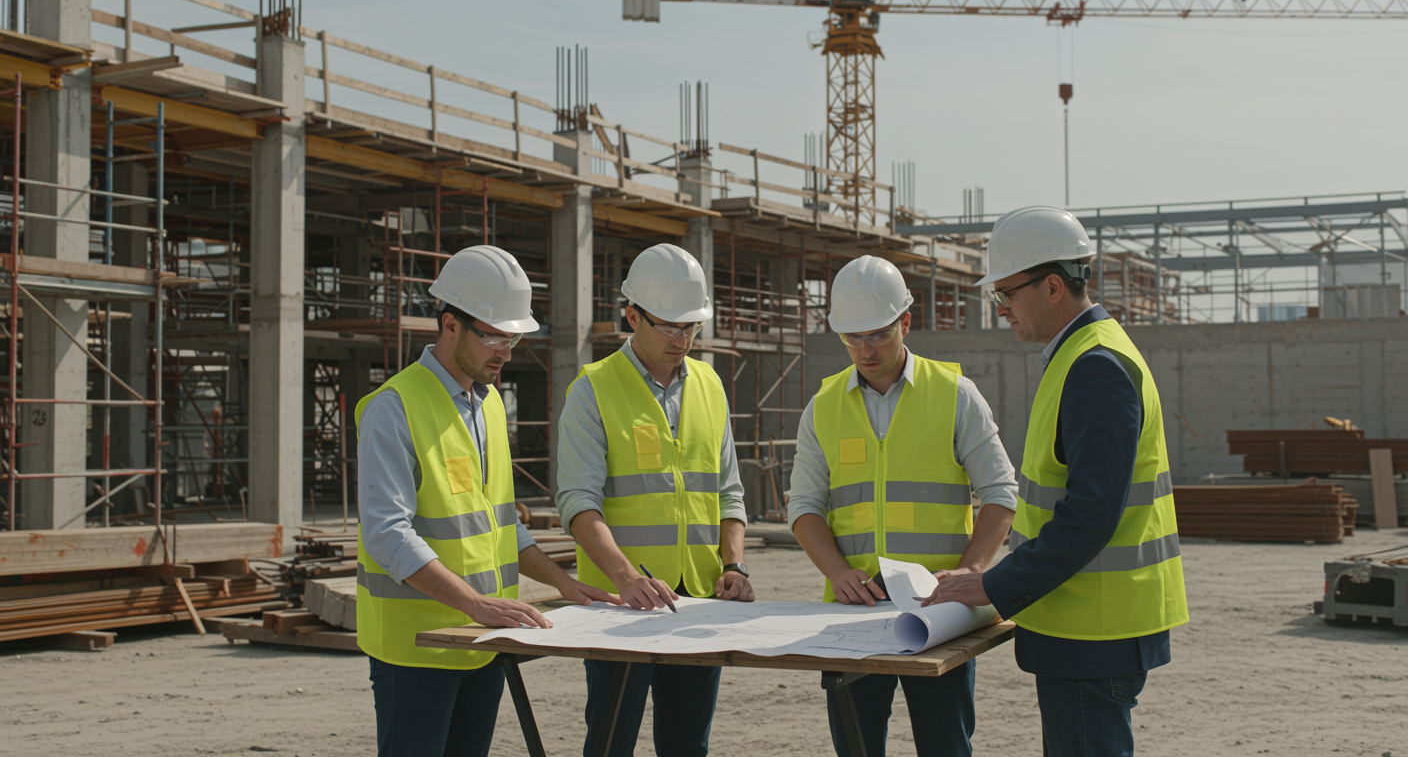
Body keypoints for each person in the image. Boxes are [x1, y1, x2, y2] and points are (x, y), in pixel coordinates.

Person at [923, 206, 1189, 757]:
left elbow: (1089, 513)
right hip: (1087, 622)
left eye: (1006, 295)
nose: (1000, 310)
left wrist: (993, 585)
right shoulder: (1077, 356)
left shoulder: (1095, 367)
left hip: (1097, 630)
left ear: (1050, 287)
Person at [356, 245, 621, 757]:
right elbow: (387, 535)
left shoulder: (489, 404)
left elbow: (502, 527)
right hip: (416, 648)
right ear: (450, 324)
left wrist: (565, 584)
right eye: (494, 336)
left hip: (481, 644)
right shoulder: (393, 408)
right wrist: (475, 605)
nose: (506, 351)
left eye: (513, 337)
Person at [788, 255, 1018, 757]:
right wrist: (836, 571)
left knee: (945, 748)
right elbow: (804, 506)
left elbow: (1001, 493)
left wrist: (969, 573)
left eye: (877, 334)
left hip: (939, 614)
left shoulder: (956, 396)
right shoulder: (823, 407)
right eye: (852, 338)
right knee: (856, 748)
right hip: (852, 616)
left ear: (905, 323)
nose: (865, 350)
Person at [555, 242, 752, 757]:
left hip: (700, 600)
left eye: (691, 326)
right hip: (621, 606)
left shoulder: (710, 385)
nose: (682, 338)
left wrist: (735, 566)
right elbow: (578, 502)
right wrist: (626, 578)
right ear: (631, 315)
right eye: (668, 325)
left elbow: (729, 492)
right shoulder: (593, 388)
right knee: (610, 742)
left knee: (689, 745)